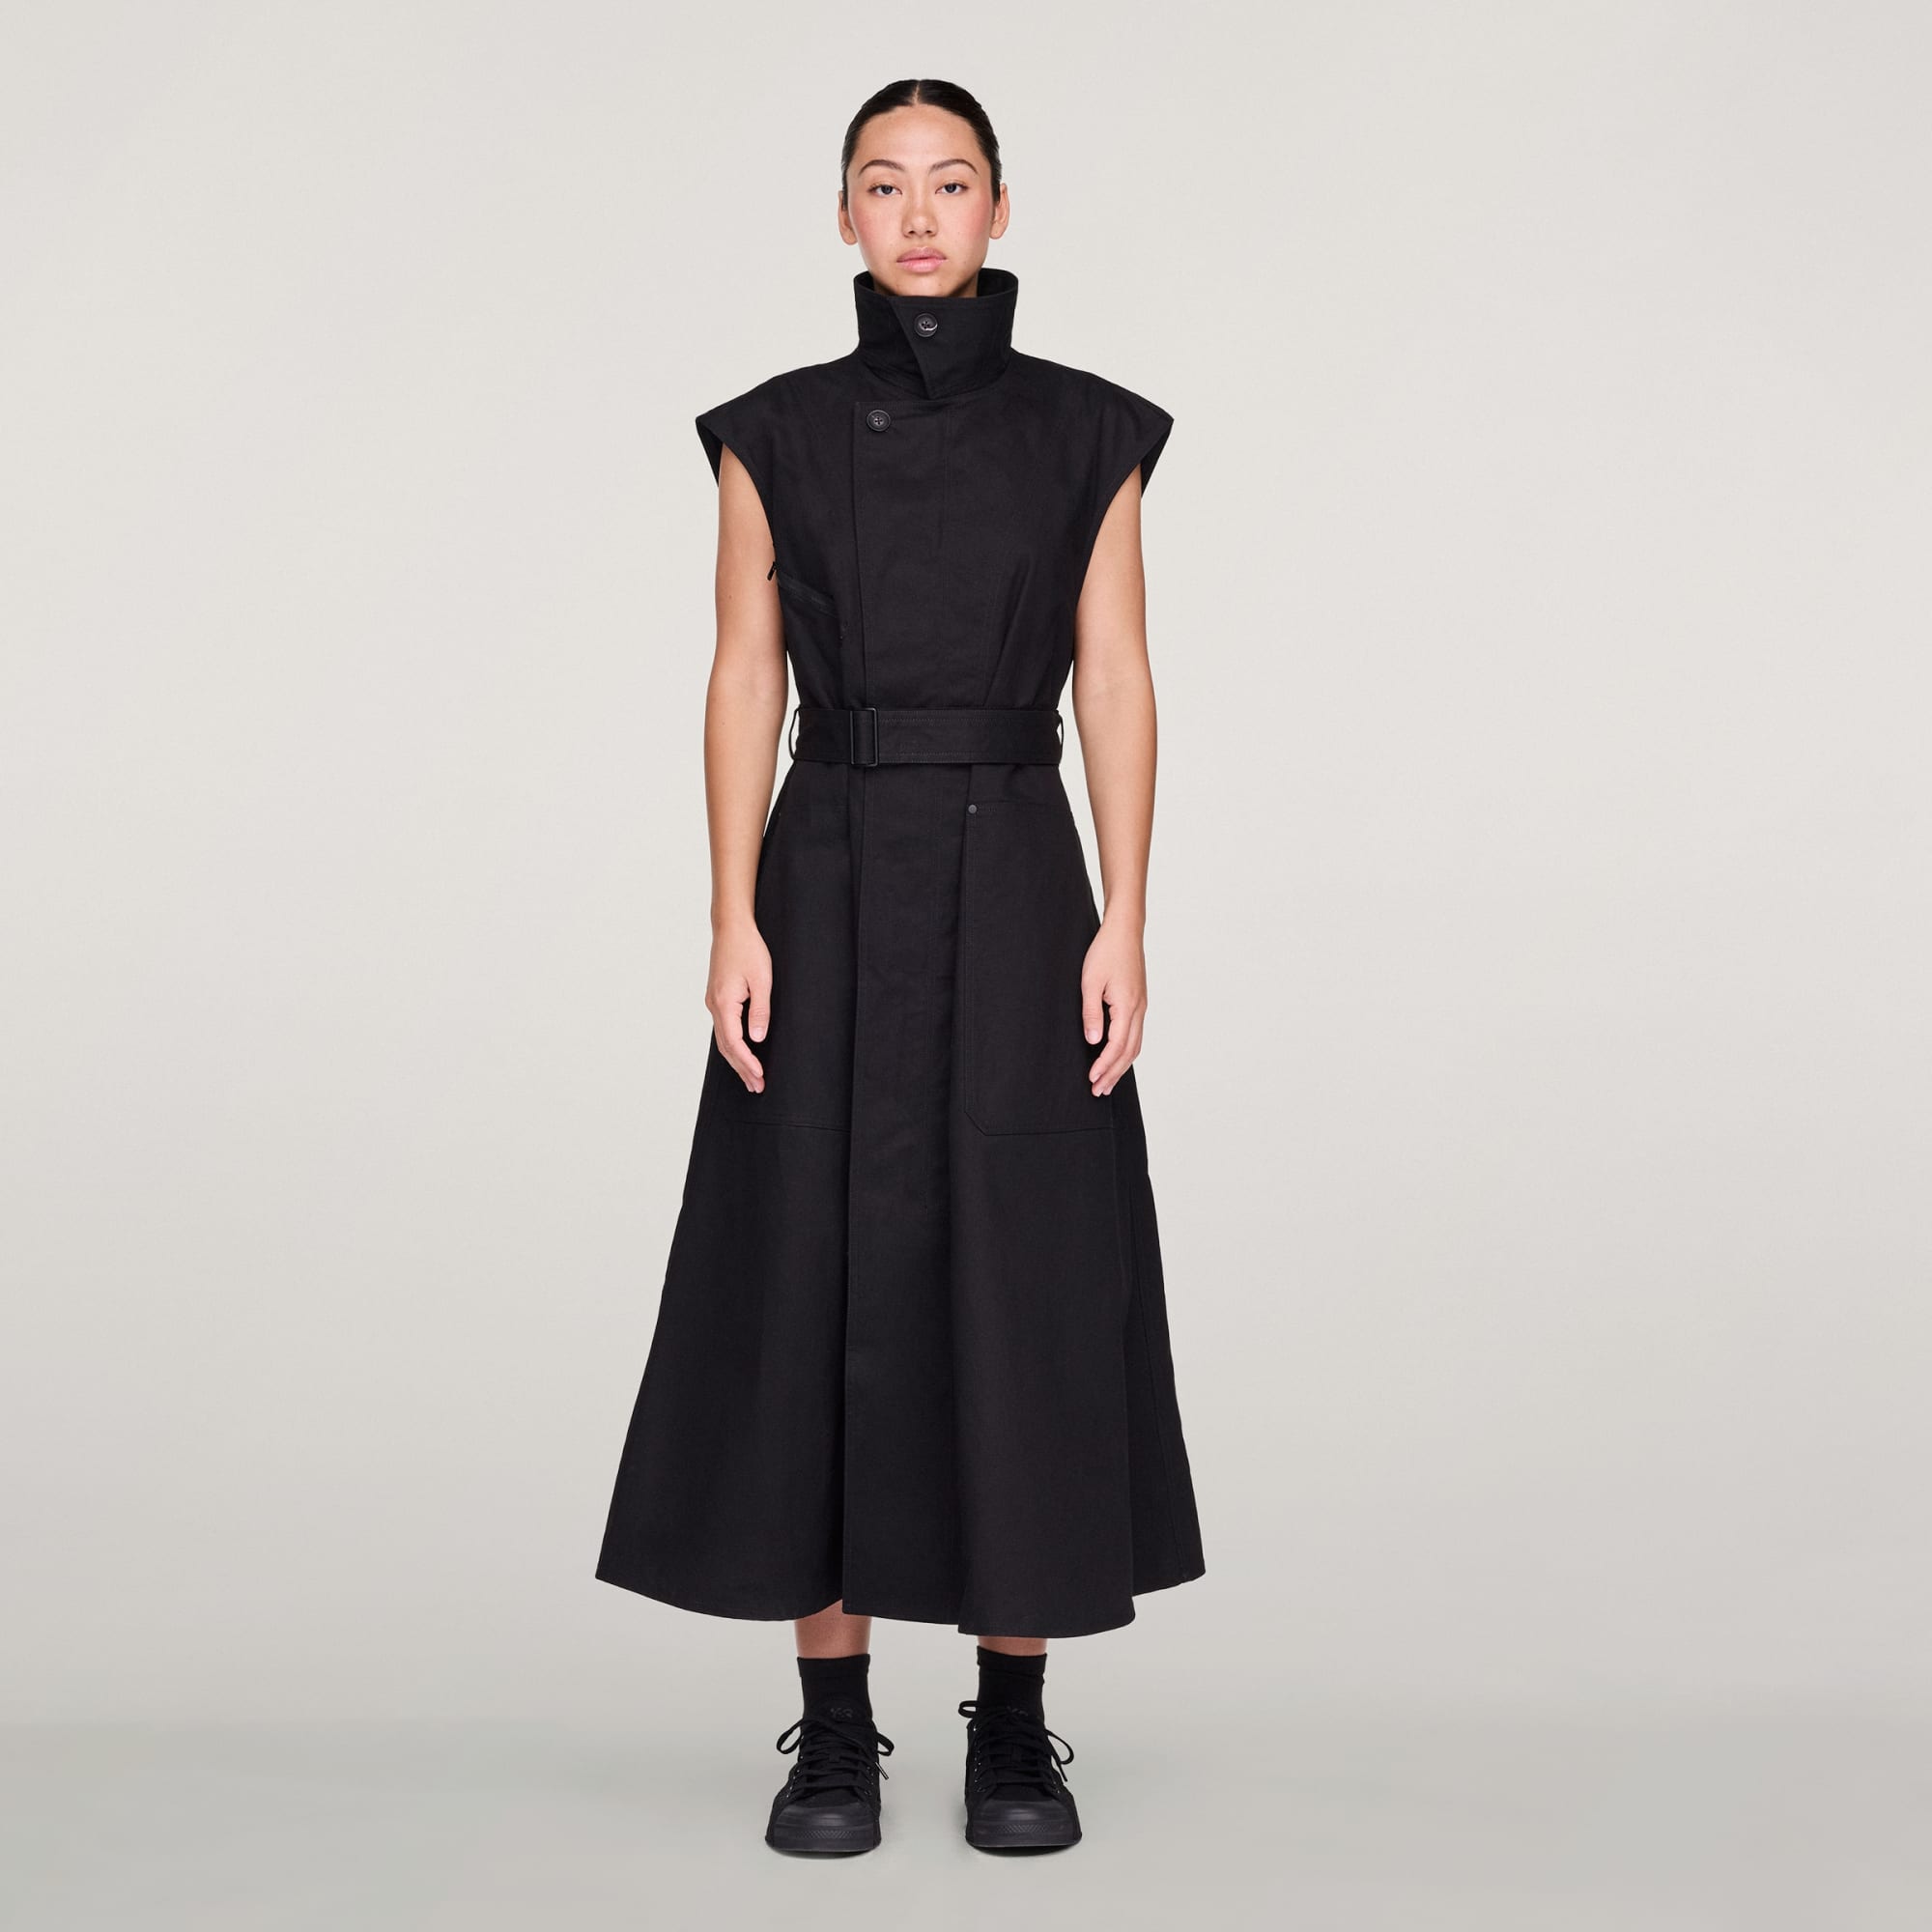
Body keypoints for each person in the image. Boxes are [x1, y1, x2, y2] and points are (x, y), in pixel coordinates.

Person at [595, 76, 1206, 1857]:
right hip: (831, 866)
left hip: (1018, 874)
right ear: (844, 215)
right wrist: (731, 914)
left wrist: (1125, 916)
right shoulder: (770, 433)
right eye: (885, 184)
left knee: (1025, 1273)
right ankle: (836, 1731)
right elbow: (742, 676)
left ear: (1002, 209)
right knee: (812, 1272)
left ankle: (1013, 1726)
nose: (919, 215)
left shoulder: (1092, 430)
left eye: (951, 183)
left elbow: (1118, 677)